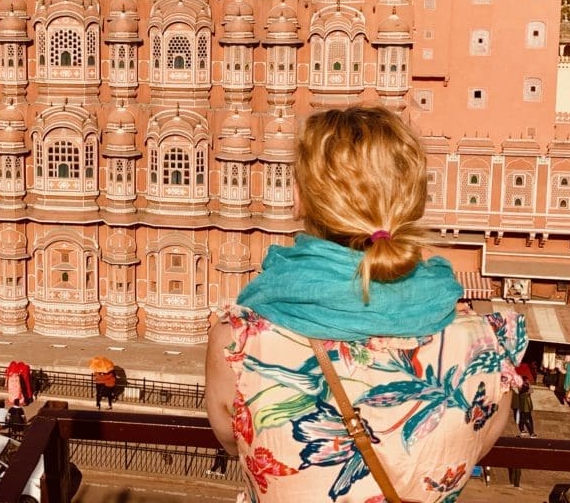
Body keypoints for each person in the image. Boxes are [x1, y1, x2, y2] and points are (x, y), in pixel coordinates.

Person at [205, 107, 528, 503]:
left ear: (299, 197)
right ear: (414, 200)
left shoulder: (239, 343)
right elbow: (474, 445)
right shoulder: (487, 345)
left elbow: (233, 440)